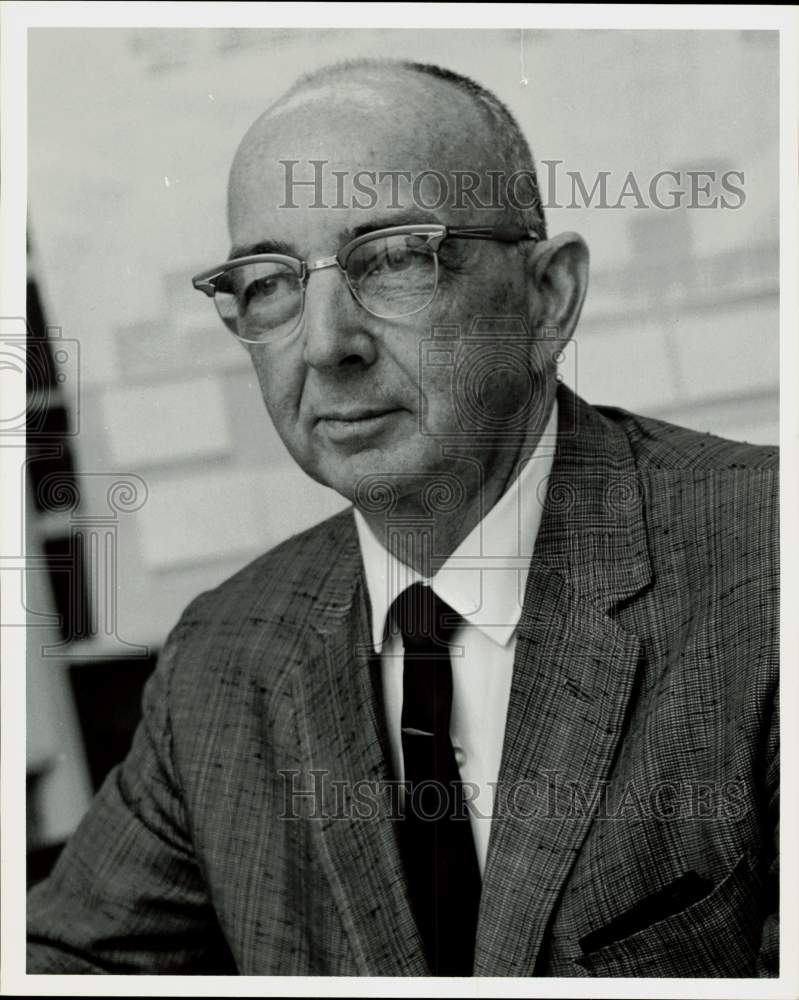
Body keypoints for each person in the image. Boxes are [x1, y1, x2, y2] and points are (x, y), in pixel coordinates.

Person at [26, 59, 779, 978]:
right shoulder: (222, 662)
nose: (324, 343)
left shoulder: (767, 567)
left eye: (391, 259)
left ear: (548, 299)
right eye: (267, 283)